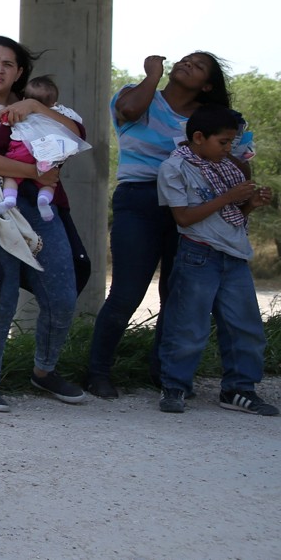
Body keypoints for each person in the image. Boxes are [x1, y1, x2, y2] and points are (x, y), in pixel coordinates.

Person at [0, 37, 89, 413]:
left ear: (20, 72)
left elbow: (77, 136)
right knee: (0, 295)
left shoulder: (36, 106)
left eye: (7, 64)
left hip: (41, 207)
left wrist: (37, 106)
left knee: (61, 295)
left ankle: (44, 372)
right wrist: (38, 171)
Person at [85, 52, 236, 399]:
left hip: (188, 205)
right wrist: (153, 76)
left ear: (207, 85)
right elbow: (130, 112)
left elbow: (229, 156)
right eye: (185, 60)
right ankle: (97, 372)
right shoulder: (135, 94)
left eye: (197, 66)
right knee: (126, 292)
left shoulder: (205, 119)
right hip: (139, 200)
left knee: (176, 294)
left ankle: (165, 372)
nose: (186, 64)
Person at [154, 105, 277, 416]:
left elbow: (232, 216)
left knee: (245, 326)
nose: (228, 148)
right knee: (188, 325)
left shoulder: (229, 167)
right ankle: (175, 386)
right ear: (198, 137)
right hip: (198, 254)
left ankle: (239, 388)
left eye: (231, 143)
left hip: (234, 255)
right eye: (223, 142)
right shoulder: (174, 168)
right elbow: (183, 217)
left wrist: (250, 204)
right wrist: (228, 197)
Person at [0, 75, 85, 221]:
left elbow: (4, 118)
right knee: (49, 181)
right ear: (54, 102)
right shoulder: (58, 113)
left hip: (22, 151)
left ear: (23, 100)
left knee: (10, 176)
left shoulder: (20, 112)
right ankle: (44, 200)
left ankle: (9, 199)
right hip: (46, 155)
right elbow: (77, 124)